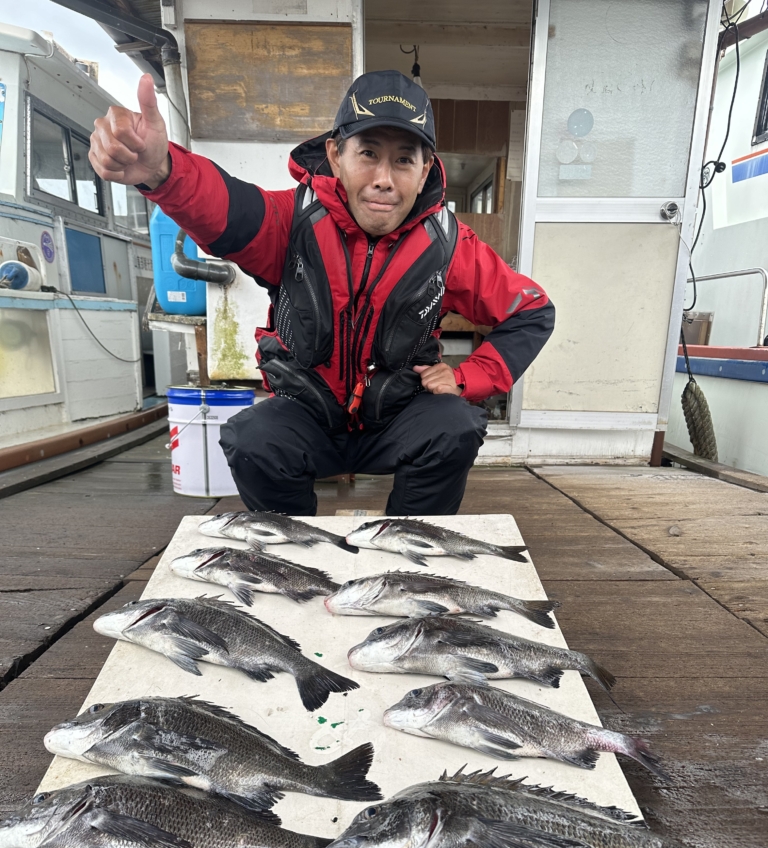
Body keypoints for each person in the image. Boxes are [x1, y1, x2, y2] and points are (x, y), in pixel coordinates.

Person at [89, 69, 554, 515]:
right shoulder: (289, 221)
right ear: (335, 155)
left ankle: (409, 542)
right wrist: (163, 171)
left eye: (404, 160)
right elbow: (226, 207)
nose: (384, 179)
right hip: (307, 417)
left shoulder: (451, 245)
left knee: (456, 425)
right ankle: (294, 546)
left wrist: (467, 378)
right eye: (367, 153)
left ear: (425, 168)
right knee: (251, 437)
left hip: (397, 419)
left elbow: (532, 311)